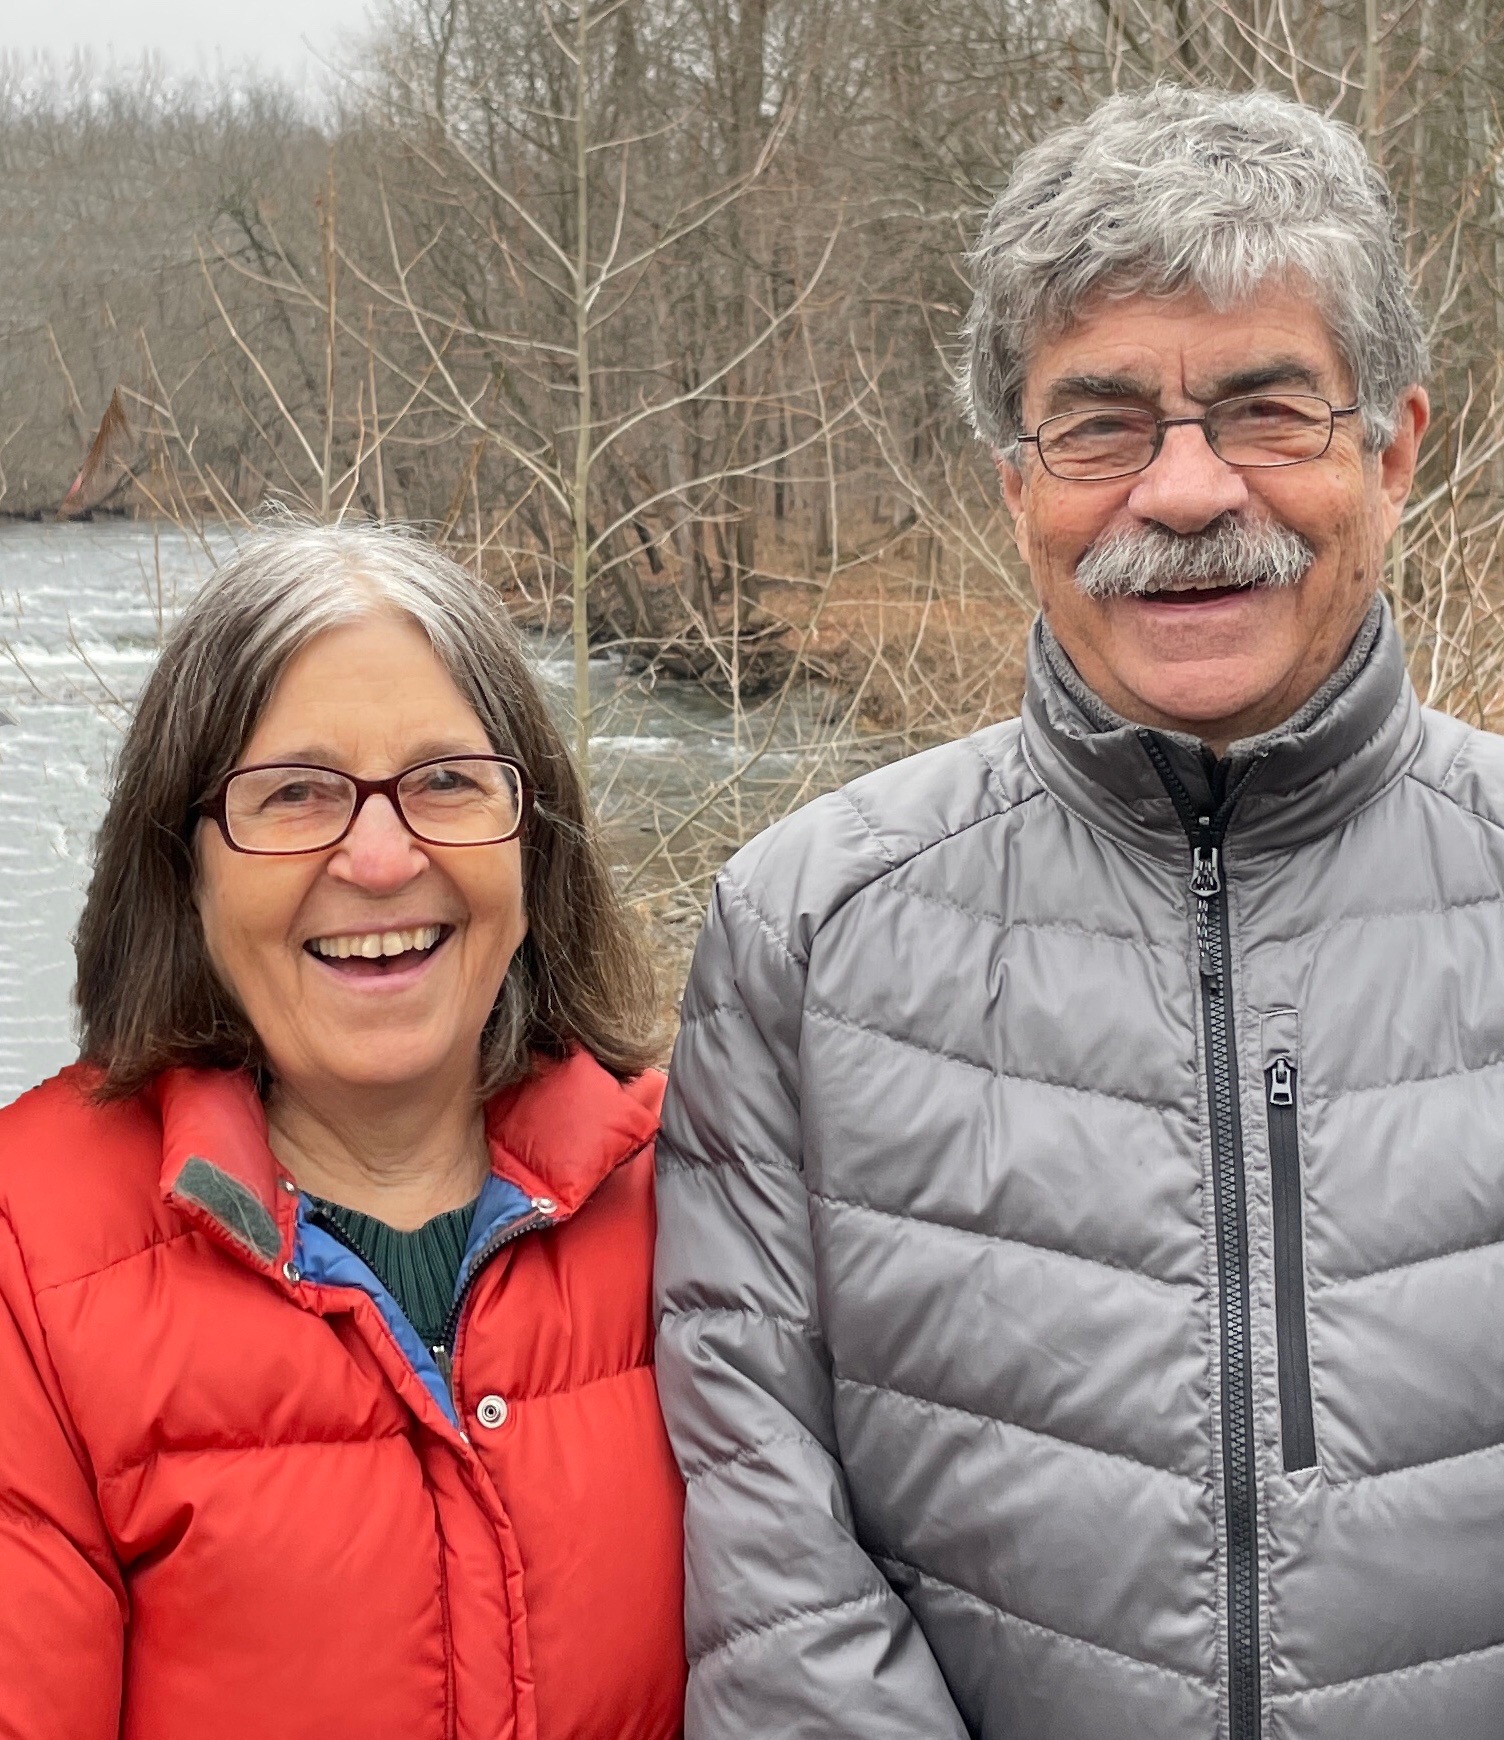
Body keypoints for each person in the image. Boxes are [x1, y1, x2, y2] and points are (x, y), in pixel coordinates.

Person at [655, 85, 1504, 1739]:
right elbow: (766, 1555)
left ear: (1390, 452)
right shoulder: (803, 937)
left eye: (1263, 410)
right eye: (1099, 424)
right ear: (1012, 488)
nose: (1181, 495)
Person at [0, 521, 685, 1739]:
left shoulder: (706, 1190)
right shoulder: (27, 1260)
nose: (380, 858)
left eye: (447, 782)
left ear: (533, 846)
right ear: (185, 865)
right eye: (296, 794)